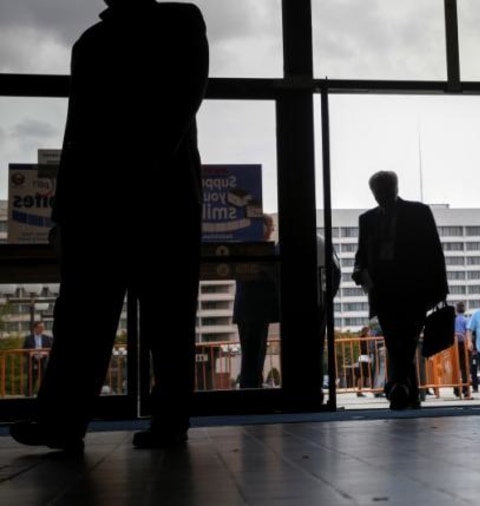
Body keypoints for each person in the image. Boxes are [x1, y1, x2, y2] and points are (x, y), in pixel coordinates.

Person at [10, 0, 209, 452]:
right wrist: (66, 212)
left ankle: (77, 420)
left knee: (105, 317)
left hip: (126, 201)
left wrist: (71, 208)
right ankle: (148, 421)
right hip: (148, 199)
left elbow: (83, 131)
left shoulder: (99, 42)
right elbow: (80, 131)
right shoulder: (150, 29)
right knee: (122, 317)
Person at [352, 170, 448, 410]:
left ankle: (396, 387)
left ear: (395, 188)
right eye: (376, 193)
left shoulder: (419, 213)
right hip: (383, 292)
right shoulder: (367, 220)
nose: (380, 197)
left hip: (414, 291)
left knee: (404, 341)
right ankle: (407, 392)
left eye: (384, 191)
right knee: (398, 343)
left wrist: (439, 289)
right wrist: (358, 271)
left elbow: (434, 252)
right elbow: (361, 255)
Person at [233, 214, 279, 389]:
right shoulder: (261, 250)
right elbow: (269, 277)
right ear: (262, 228)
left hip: (244, 310)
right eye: (270, 228)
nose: (271, 232)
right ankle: (252, 390)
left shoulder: (242, 247)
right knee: (256, 355)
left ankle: (250, 387)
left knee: (249, 355)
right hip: (257, 310)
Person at [22, 321, 54, 397]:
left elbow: (50, 349)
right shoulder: (28, 338)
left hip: (44, 361)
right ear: (35, 328)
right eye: (40, 327)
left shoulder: (47, 338)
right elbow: (24, 351)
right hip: (33, 361)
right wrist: (30, 353)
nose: (42, 329)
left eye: (43, 327)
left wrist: (46, 353)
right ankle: (29, 394)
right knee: (32, 378)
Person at [453, 301, 470, 398]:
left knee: (455, 367)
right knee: (464, 368)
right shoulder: (466, 320)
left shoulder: (453, 320)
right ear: (464, 309)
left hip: (454, 346)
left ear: (456, 309)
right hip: (463, 344)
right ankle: (465, 389)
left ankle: (456, 389)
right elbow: (467, 332)